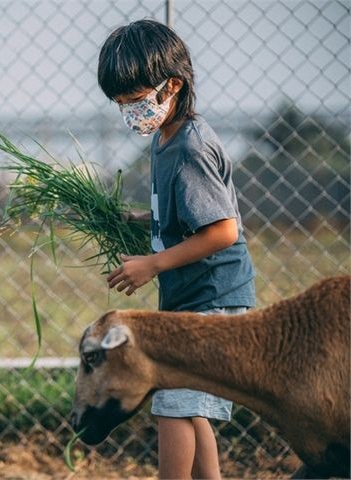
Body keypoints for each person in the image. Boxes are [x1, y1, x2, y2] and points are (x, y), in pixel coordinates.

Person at [97, 19, 256, 479]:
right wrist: (140, 221)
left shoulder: (189, 146)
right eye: (121, 104)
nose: (130, 112)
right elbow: (186, 214)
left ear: (172, 86)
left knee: (173, 404)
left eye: (136, 100)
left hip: (214, 298)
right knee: (191, 406)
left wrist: (154, 263)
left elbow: (223, 230)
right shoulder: (163, 138)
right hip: (192, 297)